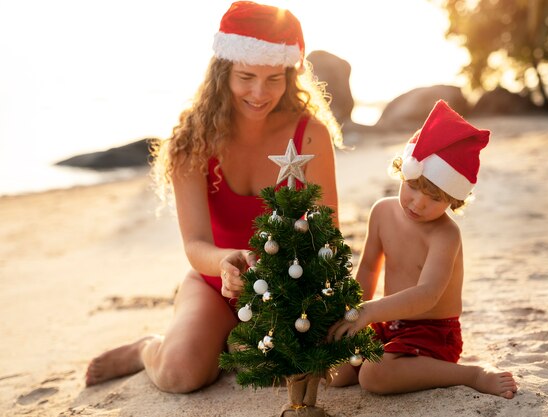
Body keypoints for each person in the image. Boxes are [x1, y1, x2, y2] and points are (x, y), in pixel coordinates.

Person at [85, 1, 341, 393]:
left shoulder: (309, 135)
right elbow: (194, 243)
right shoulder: (192, 141)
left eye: (275, 78)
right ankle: (146, 350)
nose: (260, 92)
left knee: (338, 372)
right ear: (223, 72)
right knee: (180, 375)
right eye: (246, 76)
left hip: (292, 288)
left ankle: (233, 344)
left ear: (291, 75)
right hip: (214, 282)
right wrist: (226, 263)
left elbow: (328, 232)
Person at [327, 100, 517, 399]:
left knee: (374, 376)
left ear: (454, 201)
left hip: (432, 331)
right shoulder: (381, 212)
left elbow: (427, 295)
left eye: (435, 198)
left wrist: (370, 310)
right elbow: (367, 269)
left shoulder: (445, 235)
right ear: (402, 171)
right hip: (386, 322)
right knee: (335, 372)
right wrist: (353, 313)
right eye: (414, 187)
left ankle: (471, 373)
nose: (418, 203)